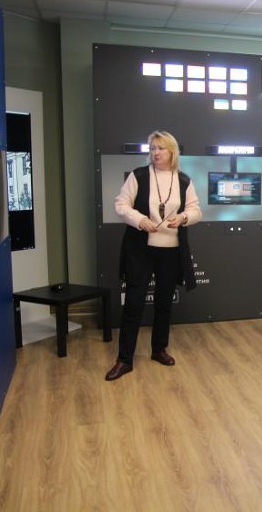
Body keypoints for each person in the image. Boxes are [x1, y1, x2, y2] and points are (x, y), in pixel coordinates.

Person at [105, 130, 202, 381]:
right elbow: (121, 204)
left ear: (172, 151)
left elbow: (196, 210)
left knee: (164, 303)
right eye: (152, 148)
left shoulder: (183, 180)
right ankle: (124, 359)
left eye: (160, 148)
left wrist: (184, 217)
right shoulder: (138, 176)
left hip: (171, 251)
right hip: (141, 250)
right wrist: (140, 220)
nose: (155, 153)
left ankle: (159, 349)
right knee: (134, 303)